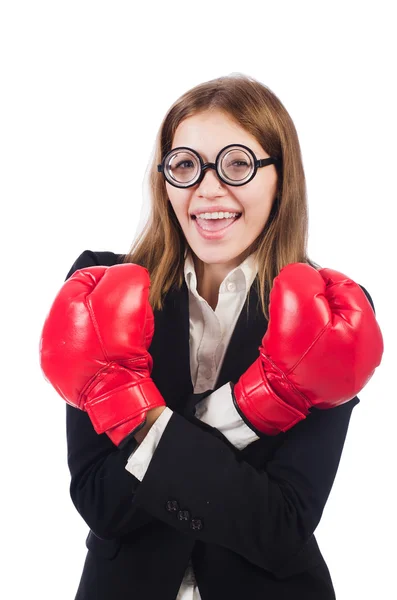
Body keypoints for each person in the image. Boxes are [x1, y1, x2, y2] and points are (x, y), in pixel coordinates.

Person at [40, 74, 383, 600]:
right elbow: (102, 504)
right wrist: (252, 411)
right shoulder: (99, 289)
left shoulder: (330, 311)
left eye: (238, 163)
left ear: (280, 178)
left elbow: (282, 526)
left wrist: (139, 421)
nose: (207, 188)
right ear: (165, 180)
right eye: (184, 165)